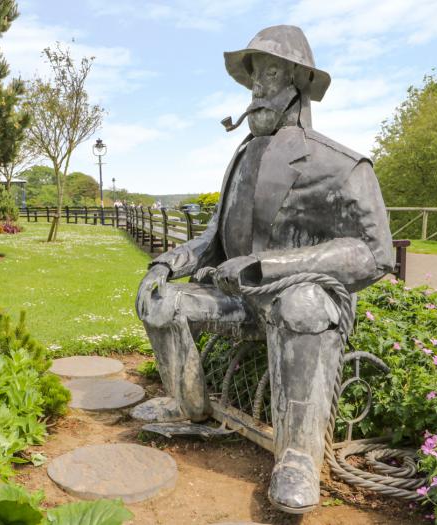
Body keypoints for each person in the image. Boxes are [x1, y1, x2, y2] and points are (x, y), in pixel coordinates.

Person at [134, 25, 393, 514]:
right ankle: (188, 406)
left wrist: (270, 266)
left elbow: (374, 253)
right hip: (238, 299)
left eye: (269, 74)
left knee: (301, 303)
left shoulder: (340, 165)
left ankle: (297, 456)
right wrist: (167, 264)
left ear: (297, 82)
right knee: (159, 298)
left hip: (303, 299)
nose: (256, 89)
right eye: (252, 77)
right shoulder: (241, 158)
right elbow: (212, 240)